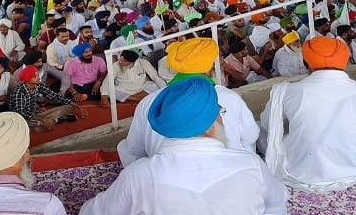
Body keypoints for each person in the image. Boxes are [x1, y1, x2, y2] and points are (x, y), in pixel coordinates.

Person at [81, 77, 288, 215]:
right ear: (210, 128)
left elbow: (92, 212)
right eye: (219, 114)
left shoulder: (139, 175)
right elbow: (277, 205)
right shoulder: (251, 165)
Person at [259, 36, 356, 191]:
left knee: (261, 130)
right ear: (345, 61)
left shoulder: (287, 91)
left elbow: (268, 125)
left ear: (306, 62)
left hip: (302, 171)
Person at [118, 37, 259, 167]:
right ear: (209, 67)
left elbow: (134, 147)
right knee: (248, 145)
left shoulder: (149, 101)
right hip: (227, 166)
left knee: (123, 147)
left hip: (169, 170)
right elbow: (251, 135)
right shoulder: (229, 96)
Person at [8, 65, 83, 132]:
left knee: (70, 107)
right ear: (28, 79)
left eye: (38, 75)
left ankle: (50, 121)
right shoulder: (19, 92)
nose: (38, 78)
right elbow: (22, 112)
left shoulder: (38, 85)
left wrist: (77, 105)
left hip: (36, 114)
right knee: (39, 128)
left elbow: (55, 96)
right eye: (35, 76)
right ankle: (57, 120)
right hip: (22, 118)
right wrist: (43, 119)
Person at [100, 49, 166, 108]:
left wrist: (165, 90)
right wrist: (104, 96)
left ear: (132, 62)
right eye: (120, 59)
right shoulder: (116, 65)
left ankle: (131, 98)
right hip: (124, 89)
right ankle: (139, 99)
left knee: (157, 85)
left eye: (124, 61)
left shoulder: (143, 63)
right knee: (108, 91)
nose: (120, 62)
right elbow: (108, 80)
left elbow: (155, 77)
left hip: (142, 87)